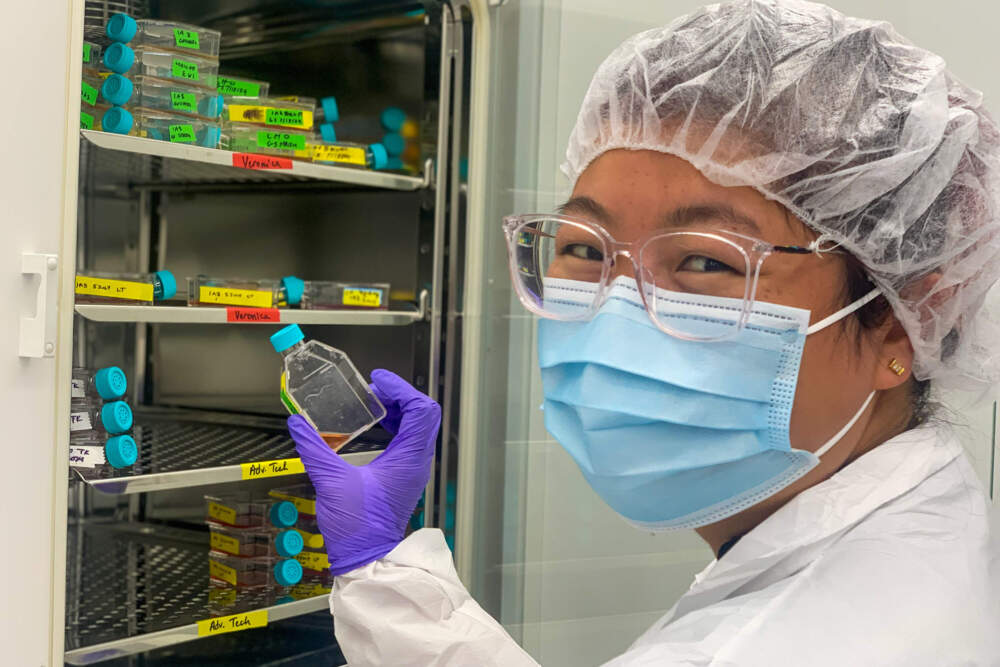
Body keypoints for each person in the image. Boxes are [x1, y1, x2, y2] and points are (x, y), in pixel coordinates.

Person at [288, 0, 1000, 664]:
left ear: (903, 324)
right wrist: (384, 578)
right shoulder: (924, 528)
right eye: (585, 249)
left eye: (703, 261)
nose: (615, 315)